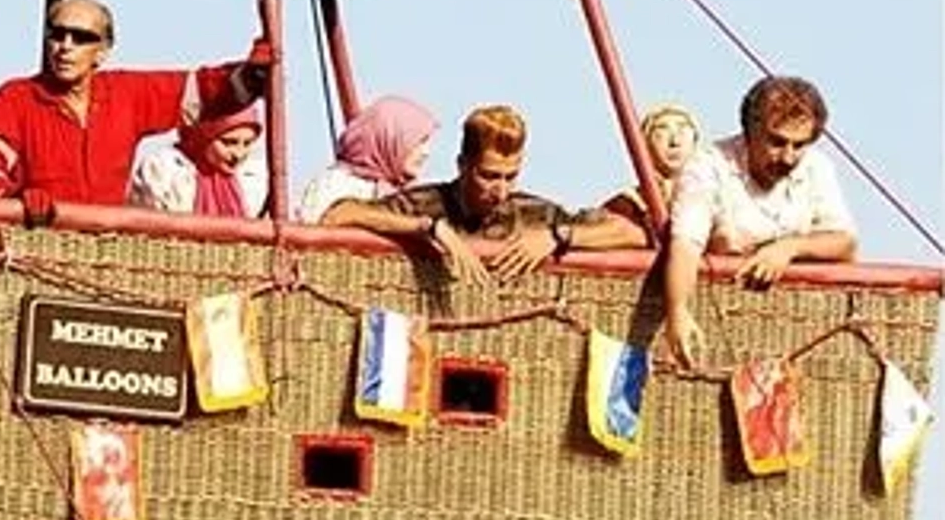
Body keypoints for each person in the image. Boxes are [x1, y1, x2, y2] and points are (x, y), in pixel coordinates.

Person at [0, 0, 266, 209]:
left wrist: (251, 75)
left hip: (105, 258)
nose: (65, 47)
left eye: (80, 38)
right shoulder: (17, 98)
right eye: (57, 35)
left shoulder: (125, 94)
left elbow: (200, 91)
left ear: (102, 51)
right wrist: (10, 197)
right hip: (34, 249)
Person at [320, 102, 641, 285]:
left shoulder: (535, 213)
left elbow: (631, 233)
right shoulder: (423, 203)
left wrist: (559, 236)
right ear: (462, 165)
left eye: (510, 177)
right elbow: (338, 215)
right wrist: (429, 228)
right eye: (488, 176)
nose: (501, 190)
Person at [662, 74, 857, 369]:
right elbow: (686, 244)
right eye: (777, 142)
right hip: (721, 321)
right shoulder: (708, 167)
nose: (789, 157)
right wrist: (678, 310)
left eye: (799, 145)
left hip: (797, 334)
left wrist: (787, 249)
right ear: (750, 131)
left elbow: (845, 243)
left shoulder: (818, 168)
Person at [295, 95, 438, 225]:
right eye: (419, 142)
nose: (426, 153)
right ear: (389, 139)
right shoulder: (335, 185)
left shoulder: (410, 194)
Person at [130, 104, 268, 220]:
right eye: (228, 142)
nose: (238, 154)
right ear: (204, 137)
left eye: (248, 143)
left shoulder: (255, 177)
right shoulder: (162, 170)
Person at [603, 100, 701, 235]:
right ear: (645, 145)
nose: (674, 142)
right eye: (662, 130)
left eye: (682, 129)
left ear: (695, 143)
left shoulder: (716, 196)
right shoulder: (627, 203)